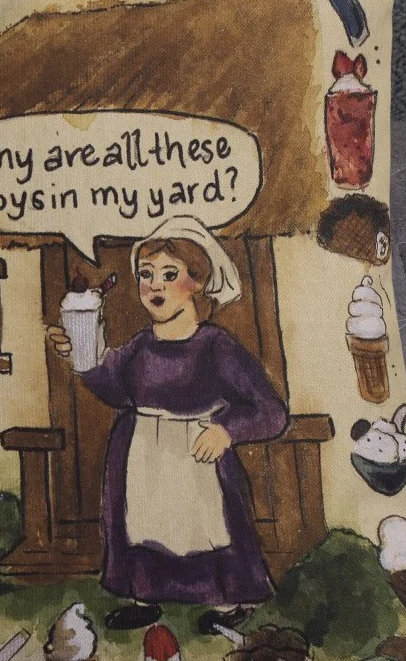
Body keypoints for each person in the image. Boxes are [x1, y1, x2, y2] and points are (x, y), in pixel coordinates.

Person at [46, 218, 288, 637]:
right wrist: (82, 356)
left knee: (206, 530)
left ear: (198, 282)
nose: (154, 285)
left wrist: (226, 430)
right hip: (144, 455)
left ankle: (228, 602)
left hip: (196, 458)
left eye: (170, 274)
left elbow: (271, 411)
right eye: (146, 274)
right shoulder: (142, 345)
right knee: (144, 525)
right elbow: (115, 388)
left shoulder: (216, 346)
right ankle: (145, 596)